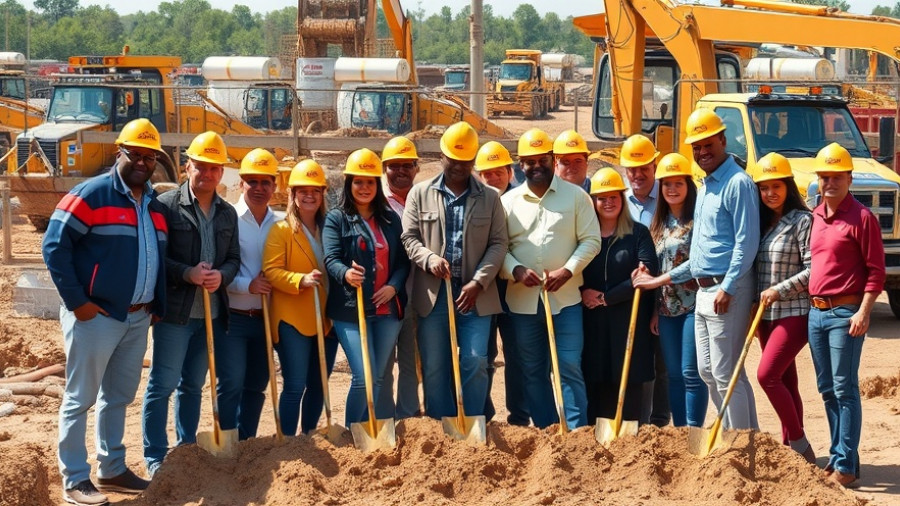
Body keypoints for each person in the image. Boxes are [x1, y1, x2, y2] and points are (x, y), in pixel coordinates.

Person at [42, 119, 168, 505]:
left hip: (136, 317)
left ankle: (112, 468)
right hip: (96, 317)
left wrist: (155, 305)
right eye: (137, 154)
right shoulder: (92, 194)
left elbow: (159, 259)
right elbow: (54, 245)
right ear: (120, 152)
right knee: (81, 397)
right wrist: (77, 302)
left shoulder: (155, 205)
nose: (144, 162)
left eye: (151, 156)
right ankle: (75, 479)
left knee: (118, 396)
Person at [143, 131, 240, 477]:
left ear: (222, 172)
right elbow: (156, 258)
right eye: (201, 167)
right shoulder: (166, 206)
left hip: (211, 315)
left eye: (215, 169)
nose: (208, 174)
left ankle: (185, 452)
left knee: (191, 386)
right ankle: (155, 457)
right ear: (187, 167)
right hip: (176, 315)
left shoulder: (228, 214)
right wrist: (187, 274)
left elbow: (233, 259)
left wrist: (222, 277)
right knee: (162, 384)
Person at [401, 122, 508, 421]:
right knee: (435, 366)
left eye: (465, 161)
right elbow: (409, 238)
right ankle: (441, 428)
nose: (459, 166)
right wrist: (429, 258)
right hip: (433, 298)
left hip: (475, 297)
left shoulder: (490, 197)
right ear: (442, 156)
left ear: (473, 161)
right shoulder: (419, 194)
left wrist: (478, 281)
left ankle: (473, 425)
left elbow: (499, 243)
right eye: (453, 160)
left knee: (475, 360)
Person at [501, 128, 601, 429]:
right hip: (522, 303)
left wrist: (568, 270)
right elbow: (498, 248)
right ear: (521, 165)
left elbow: (591, 240)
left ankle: (576, 433)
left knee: (569, 367)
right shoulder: (508, 203)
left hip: (566, 300)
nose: (537, 166)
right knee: (533, 370)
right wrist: (515, 270)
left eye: (542, 159)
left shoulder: (576, 197)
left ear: (552, 159)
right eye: (530, 161)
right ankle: (547, 433)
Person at [808, 143, 885, 488]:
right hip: (816, 313)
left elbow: (876, 271)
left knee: (845, 388)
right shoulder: (815, 216)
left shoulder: (862, 218)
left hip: (845, 313)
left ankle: (845, 465)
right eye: (825, 177)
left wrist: (864, 312)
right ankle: (842, 457)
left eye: (837, 177)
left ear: (849, 178)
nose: (830, 183)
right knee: (827, 388)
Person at [685, 108, 760, 430]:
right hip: (704, 290)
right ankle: (738, 434)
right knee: (706, 371)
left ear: (722, 140)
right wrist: (663, 278)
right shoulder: (705, 187)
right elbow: (703, 246)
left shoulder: (738, 183)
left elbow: (747, 242)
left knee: (726, 373)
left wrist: (728, 286)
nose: (702, 152)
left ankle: (742, 445)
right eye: (696, 147)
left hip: (727, 290)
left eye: (707, 144)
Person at [323, 148, 410, 426]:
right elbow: (331, 258)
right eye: (358, 182)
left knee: (380, 375)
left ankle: (372, 430)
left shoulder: (390, 219)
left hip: (387, 311)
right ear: (349, 184)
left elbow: (403, 263)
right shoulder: (336, 218)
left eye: (370, 181)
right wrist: (346, 273)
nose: (364, 187)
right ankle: (352, 432)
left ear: (377, 185)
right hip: (351, 310)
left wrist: (394, 287)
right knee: (364, 375)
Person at [633, 152, 708, 428]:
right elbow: (655, 265)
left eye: (678, 183)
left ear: (688, 186)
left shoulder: (697, 223)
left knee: (691, 372)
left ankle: (694, 430)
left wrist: (655, 282)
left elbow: (695, 265)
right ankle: (680, 434)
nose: (672, 190)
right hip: (665, 310)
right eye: (667, 184)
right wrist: (655, 309)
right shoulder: (659, 224)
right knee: (673, 374)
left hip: (693, 307)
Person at [264, 159, 338, 435]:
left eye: (315, 191)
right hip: (293, 317)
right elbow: (271, 271)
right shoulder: (281, 231)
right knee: (295, 384)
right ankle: (287, 440)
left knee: (320, 383)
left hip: (327, 319)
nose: (310, 196)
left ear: (322, 194)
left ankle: (309, 437)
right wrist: (299, 280)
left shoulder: (330, 228)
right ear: (293, 195)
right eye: (303, 190)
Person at [580, 168, 658, 423]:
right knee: (596, 378)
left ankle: (632, 439)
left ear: (622, 199)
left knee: (630, 378)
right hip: (592, 321)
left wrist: (607, 298)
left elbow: (645, 275)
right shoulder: (584, 235)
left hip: (628, 318)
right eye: (602, 198)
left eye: (614, 197)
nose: (609, 202)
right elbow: (573, 267)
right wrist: (582, 293)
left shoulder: (638, 234)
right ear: (593, 201)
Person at [751, 152, 815, 462]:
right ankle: (791, 449)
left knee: (767, 376)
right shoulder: (761, 223)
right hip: (766, 317)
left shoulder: (803, 221)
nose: (770, 194)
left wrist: (779, 289)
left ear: (788, 186)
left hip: (794, 312)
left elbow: (813, 269)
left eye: (776, 186)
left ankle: (801, 445)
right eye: (764, 188)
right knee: (787, 381)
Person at [218, 149, 279, 441]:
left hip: (266, 318)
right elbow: (219, 271)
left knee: (256, 384)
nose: (258, 188)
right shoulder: (228, 218)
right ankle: (227, 444)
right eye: (252, 181)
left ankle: (246, 443)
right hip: (235, 318)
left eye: (265, 182)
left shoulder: (280, 224)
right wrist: (247, 285)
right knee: (231, 381)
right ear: (241, 183)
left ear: (274, 186)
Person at [474, 140, 527, 425]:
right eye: (487, 173)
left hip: (515, 290)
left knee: (517, 353)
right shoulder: (474, 203)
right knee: (483, 353)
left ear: (510, 171)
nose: (493, 177)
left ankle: (519, 415)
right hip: (483, 289)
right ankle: (483, 413)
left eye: (498, 171)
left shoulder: (523, 201)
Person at [620, 133, 669, 427]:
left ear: (655, 164)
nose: (638, 175)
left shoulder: (670, 194)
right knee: (636, 360)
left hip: (665, 291)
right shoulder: (617, 200)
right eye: (632, 169)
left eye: (644, 168)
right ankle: (635, 421)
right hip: (629, 291)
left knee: (662, 364)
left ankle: (660, 422)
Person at [378, 136, 421, 419]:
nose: (401, 171)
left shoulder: (426, 200)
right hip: (386, 300)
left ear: (417, 168)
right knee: (383, 365)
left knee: (411, 362)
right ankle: (383, 418)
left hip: (419, 298)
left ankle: (408, 417)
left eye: (407, 165)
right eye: (395, 166)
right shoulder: (376, 204)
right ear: (385, 169)